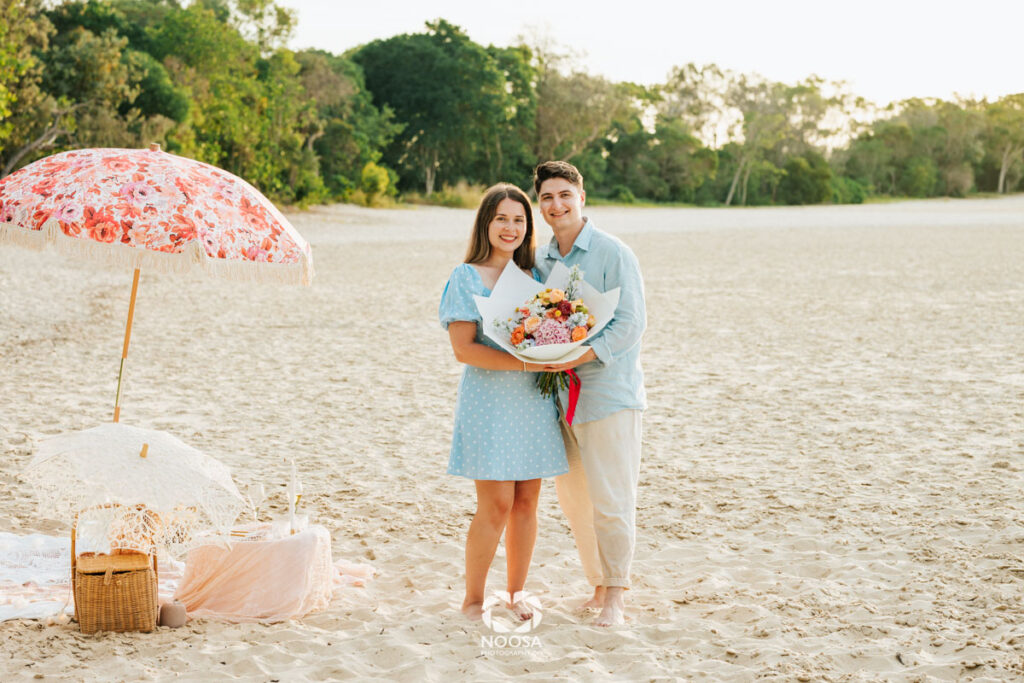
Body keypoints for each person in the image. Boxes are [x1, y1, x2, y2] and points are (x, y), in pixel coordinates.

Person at [438, 182, 571, 621]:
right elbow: (463, 350)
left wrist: (553, 355)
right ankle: (473, 599)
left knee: (527, 503)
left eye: (519, 220)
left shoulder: (535, 281)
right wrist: (526, 365)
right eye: (501, 219)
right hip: (489, 401)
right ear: (486, 223)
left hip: (532, 402)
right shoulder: (466, 276)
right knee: (494, 505)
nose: (510, 228)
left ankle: (516, 594)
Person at [532, 160, 647, 627]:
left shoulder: (612, 252)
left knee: (612, 497)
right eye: (546, 198)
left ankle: (617, 595)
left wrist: (581, 355)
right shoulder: (541, 259)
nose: (556, 205)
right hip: (558, 397)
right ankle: (598, 585)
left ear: (582, 197)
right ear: (539, 204)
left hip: (608, 395)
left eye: (564, 195)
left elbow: (631, 323)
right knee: (576, 499)